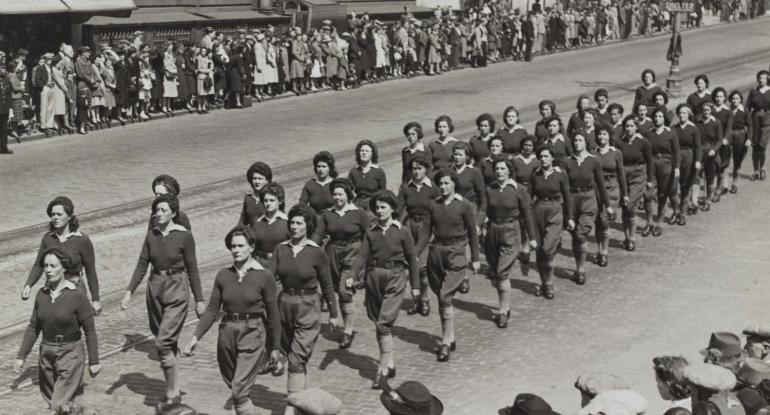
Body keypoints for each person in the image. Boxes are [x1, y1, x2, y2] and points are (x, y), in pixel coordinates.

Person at [183, 226, 281, 415]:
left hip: (253, 333)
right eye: (232, 246)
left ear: (251, 247)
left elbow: (273, 314)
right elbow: (212, 310)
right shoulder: (223, 275)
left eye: (240, 246)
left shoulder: (265, 276)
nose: (235, 250)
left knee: (238, 387)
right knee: (237, 388)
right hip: (227, 334)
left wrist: (275, 347)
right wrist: (195, 338)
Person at [121, 194, 205, 410]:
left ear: (174, 213)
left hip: (177, 287)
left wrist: (199, 299)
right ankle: (174, 391)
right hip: (155, 287)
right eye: (156, 211)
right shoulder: (152, 235)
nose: (158, 214)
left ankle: (171, 393)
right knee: (165, 340)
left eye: (163, 210)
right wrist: (129, 291)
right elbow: (142, 264)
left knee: (162, 343)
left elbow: (193, 268)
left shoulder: (185, 236)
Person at [346, 190, 418, 389]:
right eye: (376, 207)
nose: (379, 211)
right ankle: (390, 361)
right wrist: (352, 275)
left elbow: (412, 259)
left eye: (383, 207)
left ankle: (382, 370)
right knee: (378, 320)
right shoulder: (371, 232)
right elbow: (361, 256)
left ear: (393, 209)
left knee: (383, 324)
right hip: (374, 277)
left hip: (395, 277)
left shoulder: (402, 231)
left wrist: (416, 286)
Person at [14, 247, 101, 412]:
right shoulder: (42, 294)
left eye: (53, 266)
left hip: (71, 353)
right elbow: (33, 326)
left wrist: (94, 361)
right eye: (45, 266)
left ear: (64, 267)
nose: (48, 270)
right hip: (46, 353)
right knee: (56, 402)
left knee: (57, 403)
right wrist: (21, 356)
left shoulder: (77, 295)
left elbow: (90, 330)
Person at [273, 205, 339, 415]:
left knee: (295, 359)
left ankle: (291, 408)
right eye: (292, 222)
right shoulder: (280, 249)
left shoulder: (316, 252)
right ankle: (304, 403)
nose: (294, 227)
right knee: (294, 357)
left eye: (299, 223)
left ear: (308, 226)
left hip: (308, 306)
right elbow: (268, 277)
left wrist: (334, 313)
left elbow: (327, 284)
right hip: (284, 306)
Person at [415, 169, 480, 362]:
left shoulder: (464, 205)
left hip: (457, 253)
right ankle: (450, 337)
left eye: (446, 183)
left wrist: (475, 258)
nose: (443, 187)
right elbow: (426, 232)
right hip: (437, 253)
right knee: (442, 296)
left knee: (444, 296)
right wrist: (415, 254)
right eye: (440, 184)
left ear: (454, 184)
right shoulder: (433, 205)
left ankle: (444, 342)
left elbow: (472, 233)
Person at [311, 178, 369, 349]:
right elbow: (318, 234)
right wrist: (309, 248)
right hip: (332, 254)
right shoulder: (328, 214)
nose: (337, 197)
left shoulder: (359, 213)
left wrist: (365, 260)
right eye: (334, 194)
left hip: (353, 253)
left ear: (348, 195)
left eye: (340, 194)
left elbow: (368, 237)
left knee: (344, 292)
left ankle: (348, 331)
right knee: (332, 289)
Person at [22, 197, 101, 315]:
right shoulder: (48, 238)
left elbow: (90, 271)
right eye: (53, 214)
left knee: (72, 328)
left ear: (69, 216)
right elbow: (39, 265)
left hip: (75, 288)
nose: (55, 217)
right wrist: (28, 285)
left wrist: (95, 299)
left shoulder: (82, 240)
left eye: (59, 214)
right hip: (52, 287)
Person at [484, 158, 536, 328]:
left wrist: (532, 237)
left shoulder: (518, 190)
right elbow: (484, 210)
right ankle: (503, 302)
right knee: (495, 270)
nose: (498, 171)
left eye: (502, 168)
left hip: (511, 230)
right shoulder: (490, 189)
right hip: (493, 230)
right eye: (496, 168)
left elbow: (527, 214)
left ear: (509, 171)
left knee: (502, 272)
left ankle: (503, 310)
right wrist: (478, 226)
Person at [563, 134, 611, 284]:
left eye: (580, 140)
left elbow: (601, 185)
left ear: (586, 142)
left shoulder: (593, 161)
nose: (577, 143)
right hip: (571, 199)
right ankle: (578, 267)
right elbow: (563, 187)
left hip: (589, 199)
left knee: (581, 232)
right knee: (574, 235)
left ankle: (581, 270)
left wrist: (607, 205)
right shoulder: (566, 162)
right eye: (575, 140)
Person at [397, 156, 440, 317]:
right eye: (414, 169)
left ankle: (425, 299)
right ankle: (415, 301)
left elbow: (439, 208)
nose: (416, 172)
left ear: (426, 169)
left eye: (420, 168)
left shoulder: (433, 188)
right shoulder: (405, 188)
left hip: (426, 228)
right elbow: (398, 209)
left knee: (421, 267)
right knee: (410, 265)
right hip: (410, 227)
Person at [530, 147, 572, 299]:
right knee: (539, 250)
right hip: (538, 209)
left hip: (555, 210)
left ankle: (549, 282)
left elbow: (567, 196)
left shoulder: (561, 174)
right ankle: (544, 283)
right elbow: (530, 197)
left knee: (548, 249)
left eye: (546, 156)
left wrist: (570, 217)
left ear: (552, 158)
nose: (543, 159)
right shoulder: (535, 174)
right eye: (540, 156)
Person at [615, 115, 654, 251]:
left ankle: (632, 238)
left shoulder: (644, 142)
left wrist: (650, 180)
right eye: (627, 126)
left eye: (632, 126)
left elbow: (649, 162)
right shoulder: (619, 142)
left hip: (639, 173)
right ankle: (626, 238)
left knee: (631, 205)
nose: (629, 129)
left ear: (636, 127)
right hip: (624, 173)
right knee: (625, 207)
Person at [647, 107, 681, 236]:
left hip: (667, 165)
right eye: (655, 116)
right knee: (648, 194)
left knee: (663, 194)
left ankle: (659, 223)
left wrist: (677, 167)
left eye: (660, 116)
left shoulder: (671, 132)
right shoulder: (649, 133)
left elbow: (677, 152)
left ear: (664, 118)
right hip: (652, 165)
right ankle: (649, 222)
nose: (657, 119)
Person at [512, 136, 540, 263]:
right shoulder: (516, 160)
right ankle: (525, 248)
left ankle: (530, 244)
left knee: (531, 219)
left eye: (530, 145)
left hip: (533, 192)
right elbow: (512, 178)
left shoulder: (537, 161)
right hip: (519, 191)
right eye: (525, 145)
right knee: (522, 222)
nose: (527, 147)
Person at [673, 104, 703, 223]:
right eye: (680, 113)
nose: (681, 115)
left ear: (689, 114)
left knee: (685, 187)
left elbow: (698, 147)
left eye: (684, 113)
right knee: (673, 187)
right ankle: (676, 211)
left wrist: (698, 160)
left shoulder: (693, 129)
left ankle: (683, 213)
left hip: (688, 157)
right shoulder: (674, 128)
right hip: (675, 157)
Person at [251, 183, 290, 267]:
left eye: (272, 200)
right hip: (261, 265)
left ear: (280, 201)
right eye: (265, 200)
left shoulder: (287, 223)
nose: (268, 203)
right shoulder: (258, 224)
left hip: (282, 264)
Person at [695, 103, 723, 209]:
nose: (705, 112)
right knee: (696, 176)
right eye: (703, 110)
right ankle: (695, 199)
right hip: (699, 152)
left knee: (710, 177)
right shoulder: (697, 122)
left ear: (711, 110)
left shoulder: (716, 123)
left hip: (711, 152)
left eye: (707, 110)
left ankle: (708, 200)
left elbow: (719, 140)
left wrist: (714, 150)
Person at [348, 139, 387, 215]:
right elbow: (348, 191)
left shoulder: (379, 171)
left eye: (367, 151)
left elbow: (383, 193)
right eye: (362, 151)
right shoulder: (354, 171)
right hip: (358, 203)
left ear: (372, 154)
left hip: (373, 205)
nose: (364, 153)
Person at [727, 90, 753, 193]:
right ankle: (724, 185)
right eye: (733, 99)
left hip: (740, 135)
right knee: (726, 159)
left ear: (741, 100)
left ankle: (734, 183)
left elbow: (750, 125)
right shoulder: (728, 110)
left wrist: (749, 139)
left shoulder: (744, 110)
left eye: (737, 99)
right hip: (729, 134)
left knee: (737, 161)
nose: (735, 101)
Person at [747, 70, 770, 181]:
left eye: (763, 78)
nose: (761, 80)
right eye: (759, 78)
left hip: (767, 120)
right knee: (755, 146)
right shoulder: (753, 91)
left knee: (762, 146)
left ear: (767, 80)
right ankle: (755, 171)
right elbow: (747, 107)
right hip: (754, 119)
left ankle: (763, 168)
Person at [239, 162, 273, 228]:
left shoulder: (273, 198)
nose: (257, 182)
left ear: (267, 180)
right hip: (252, 235)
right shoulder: (248, 198)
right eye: (254, 178)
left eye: (260, 179)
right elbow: (242, 222)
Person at [0, 63, 11, 154]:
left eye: (4, 68)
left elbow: (8, 95)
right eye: (2, 68)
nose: (4, 70)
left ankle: (4, 147)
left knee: (4, 129)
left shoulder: (7, 80)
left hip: (4, 109)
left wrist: (10, 109)